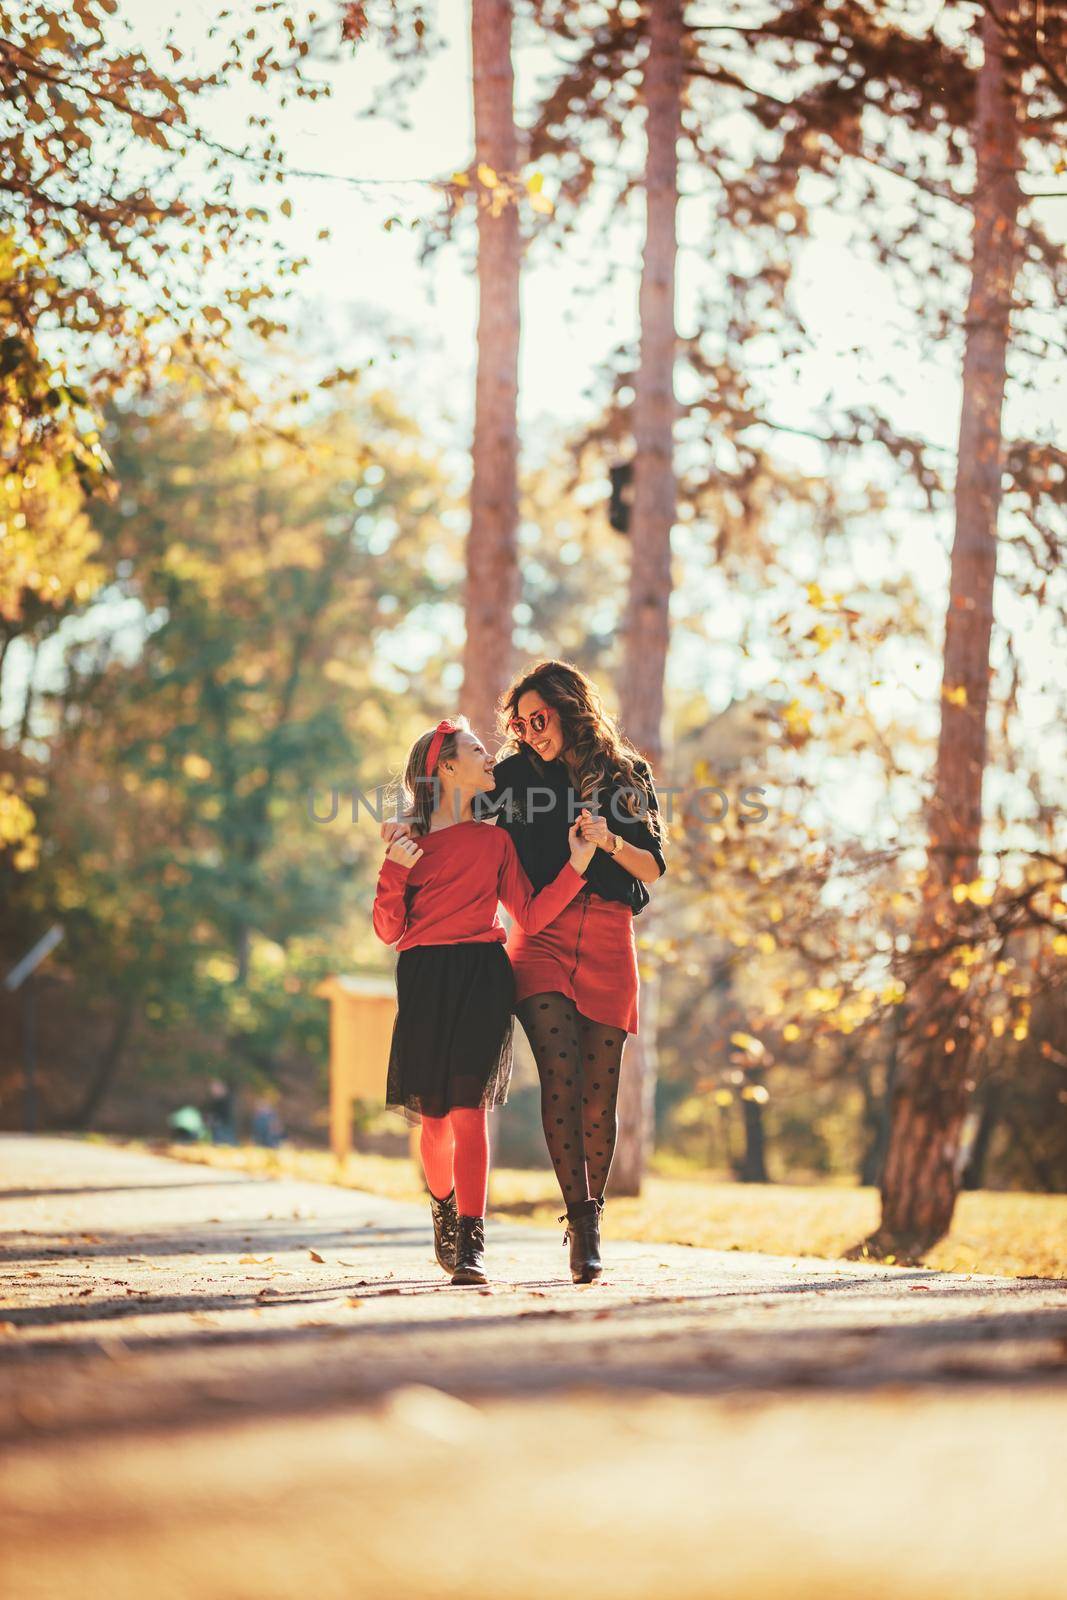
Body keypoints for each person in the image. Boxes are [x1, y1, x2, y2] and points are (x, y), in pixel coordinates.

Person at [383, 661, 667, 1284]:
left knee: (600, 1091)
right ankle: (573, 1222)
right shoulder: (509, 776)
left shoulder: (625, 775)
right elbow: (443, 792)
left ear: (571, 709)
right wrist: (403, 832)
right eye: (519, 723)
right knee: (560, 1075)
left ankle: (590, 1220)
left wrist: (608, 844)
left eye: (540, 719)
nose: (530, 732)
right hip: (538, 937)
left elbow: (652, 867)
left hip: (610, 935)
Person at [372, 715, 596, 1286]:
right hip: (424, 973)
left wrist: (578, 863)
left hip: (483, 974)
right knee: (436, 1119)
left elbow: (533, 913)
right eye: (477, 749)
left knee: (469, 1111)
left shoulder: (495, 839)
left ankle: (471, 1241)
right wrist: (394, 872)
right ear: (447, 766)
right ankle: (443, 1210)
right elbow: (387, 929)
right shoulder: (408, 842)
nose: (490, 755)